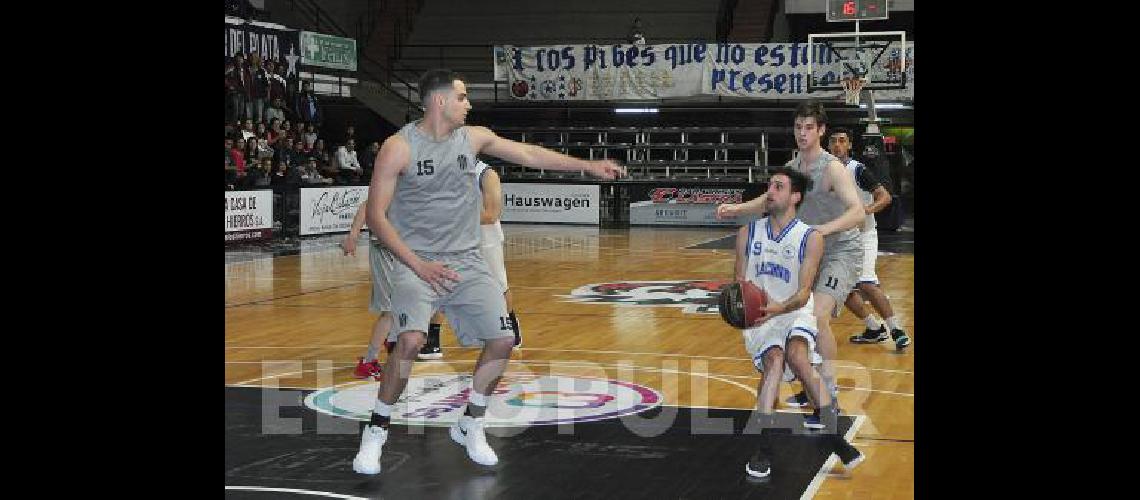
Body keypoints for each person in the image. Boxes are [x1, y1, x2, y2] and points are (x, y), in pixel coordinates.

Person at [352, 69, 624, 475]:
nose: (469, 103)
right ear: (440, 101)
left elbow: (529, 154)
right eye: (462, 97)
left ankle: (471, 422)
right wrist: (418, 265)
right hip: (417, 262)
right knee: (409, 342)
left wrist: (586, 166)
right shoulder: (398, 147)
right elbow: (376, 216)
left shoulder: (473, 138)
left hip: (467, 261)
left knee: (503, 338)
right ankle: (376, 431)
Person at [716, 101, 865, 417]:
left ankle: (829, 393)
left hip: (840, 251)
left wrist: (823, 229)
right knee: (793, 315)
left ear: (821, 131)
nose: (802, 133)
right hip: (807, 251)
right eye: (798, 127)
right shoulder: (793, 165)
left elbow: (857, 211)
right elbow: (770, 198)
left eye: (809, 127)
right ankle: (810, 384)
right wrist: (738, 209)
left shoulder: (832, 167)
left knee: (818, 315)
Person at [730, 166, 862, 478]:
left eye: (778, 187)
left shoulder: (810, 237)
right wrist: (738, 304)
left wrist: (780, 308)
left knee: (797, 356)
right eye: (769, 186)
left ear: (795, 196)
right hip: (762, 317)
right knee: (774, 361)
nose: (770, 192)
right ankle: (764, 448)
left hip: (793, 309)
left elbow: (804, 293)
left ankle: (831, 433)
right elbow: (738, 282)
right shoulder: (747, 233)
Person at [418, 159, 524, 358]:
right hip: (453, 237)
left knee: (499, 286)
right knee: (441, 282)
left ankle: (510, 324)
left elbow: (491, 214)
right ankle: (432, 338)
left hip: (485, 238)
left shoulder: (486, 174)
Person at [826, 128, 911, 350]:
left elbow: (885, 197)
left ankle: (896, 328)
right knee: (840, 287)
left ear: (850, 146)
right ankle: (874, 328)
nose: (837, 145)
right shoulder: (822, 171)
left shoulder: (858, 170)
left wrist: (865, 211)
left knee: (865, 281)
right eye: (833, 141)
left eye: (842, 141)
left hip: (863, 235)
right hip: (838, 237)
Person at [344, 201, 448, 380]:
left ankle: (392, 339)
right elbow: (367, 205)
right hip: (383, 248)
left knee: (418, 297)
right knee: (390, 309)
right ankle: (368, 362)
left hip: (402, 249)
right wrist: (353, 235)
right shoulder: (393, 179)